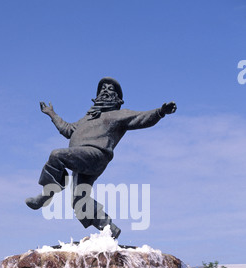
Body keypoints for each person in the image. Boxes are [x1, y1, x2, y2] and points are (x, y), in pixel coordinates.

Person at [25, 77, 177, 238]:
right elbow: (68, 130)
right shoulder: (87, 118)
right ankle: (110, 229)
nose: (105, 90)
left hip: (95, 155)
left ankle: (48, 193)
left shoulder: (119, 115)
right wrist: (52, 114)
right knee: (79, 202)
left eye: (110, 89)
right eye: (102, 89)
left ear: (117, 99)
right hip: (79, 159)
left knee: (56, 155)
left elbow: (141, 118)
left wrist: (160, 112)